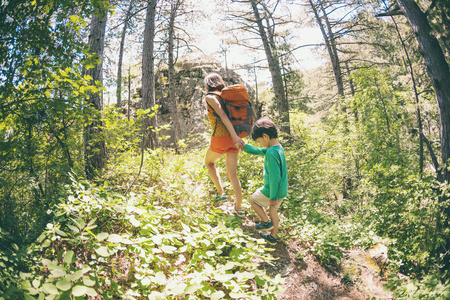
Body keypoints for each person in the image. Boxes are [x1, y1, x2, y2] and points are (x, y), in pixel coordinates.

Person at [204, 72, 246, 217]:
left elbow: (222, 116)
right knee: (232, 174)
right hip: (235, 137)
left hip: (221, 137)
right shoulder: (227, 97)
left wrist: (233, 137)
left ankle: (221, 193)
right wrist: (236, 137)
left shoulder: (211, 97)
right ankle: (239, 208)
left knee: (209, 163)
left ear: (208, 84)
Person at [241, 117, 288, 245]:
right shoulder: (277, 148)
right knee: (273, 211)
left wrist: (273, 196)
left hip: (273, 190)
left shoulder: (272, 153)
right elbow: (262, 151)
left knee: (253, 199)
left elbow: (274, 178)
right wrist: (246, 147)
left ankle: (266, 223)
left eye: (259, 141)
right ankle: (272, 237)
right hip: (282, 190)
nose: (260, 144)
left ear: (265, 136)